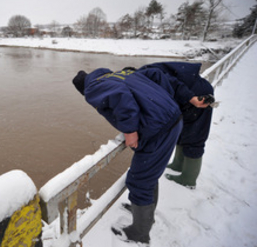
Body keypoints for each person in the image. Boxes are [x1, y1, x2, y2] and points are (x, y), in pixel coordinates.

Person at [72, 67, 207, 244]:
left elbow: (121, 97)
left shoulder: (93, 87)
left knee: (139, 180)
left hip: (158, 129)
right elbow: (158, 76)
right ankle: (143, 214)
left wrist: (130, 130)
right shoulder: (120, 74)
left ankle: (140, 232)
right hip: (171, 118)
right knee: (148, 174)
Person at [138, 62, 214, 189]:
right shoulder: (137, 77)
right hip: (186, 91)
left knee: (195, 134)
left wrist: (191, 98)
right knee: (181, 129)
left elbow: (172, 84)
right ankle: (178, 164)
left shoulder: (144, 79)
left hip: (196, 93)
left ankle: (188, 179)